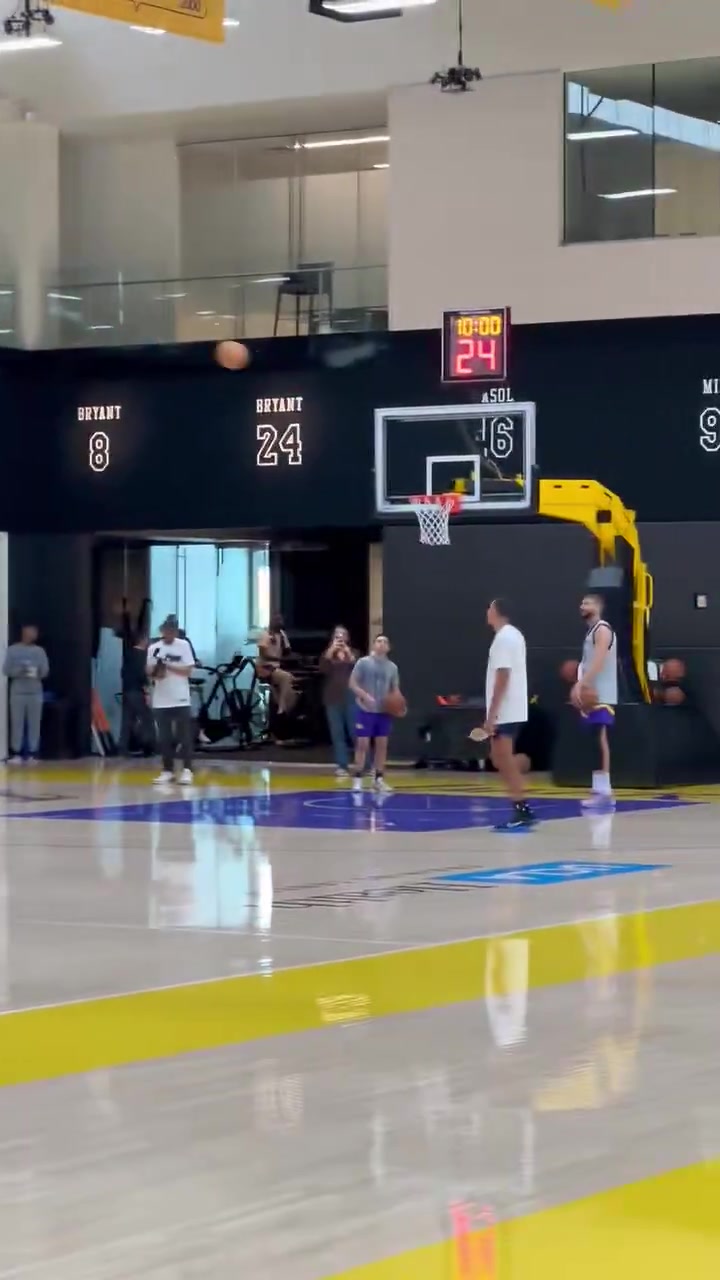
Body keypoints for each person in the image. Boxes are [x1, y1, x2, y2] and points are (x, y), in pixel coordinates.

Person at [483, 598, 536, 831]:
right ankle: (524, 767)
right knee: (498, 758)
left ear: (497, 612)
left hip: (505, 710)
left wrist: (491, 715)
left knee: (502, 758)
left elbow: (503, 676)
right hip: (513, 708)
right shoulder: (515, 635)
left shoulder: (503, 638)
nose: (487, 612)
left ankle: (521, 808)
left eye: (490, 608)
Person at [573, 592, 617, 808]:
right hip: (591, 693)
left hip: (602, 694)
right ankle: (599, 790)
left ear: (598, 607)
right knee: (593, 741)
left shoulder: (603, 629)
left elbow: (599, 661)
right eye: (582, 603)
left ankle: (604, 792)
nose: (582, 606)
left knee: (600, 739)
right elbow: (586, 664)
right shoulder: (590, 632)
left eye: (587, 603)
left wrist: (581, 684)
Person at [349, 634, 401, 795]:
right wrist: (364, 695)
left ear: (389, 647)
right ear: (373, 645)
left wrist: (399, 704)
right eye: (379, 641)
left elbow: (395, 689)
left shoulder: (392, 667)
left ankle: (378, 779)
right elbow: (352, 683)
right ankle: (357, 778)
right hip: (365, 709)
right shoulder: (363, 662)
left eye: (385, 642)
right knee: (362, 744)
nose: (382, 644)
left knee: (382, 745)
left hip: (383, 711)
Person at [147, 615, 196, 785]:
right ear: (162, 631)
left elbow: (188, 670)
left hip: (180, 697)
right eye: (167, 630)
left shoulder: (183, 646)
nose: (169, 633)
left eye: (172, 630)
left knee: (184, 736)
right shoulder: (154, 648)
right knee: (164, 737)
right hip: (161, 698)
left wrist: (168, 666)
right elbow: (150, 672)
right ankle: (167, 770)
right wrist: (157, 670)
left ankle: (187, 769)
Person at [3, 624, 49, 764]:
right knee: (17, 723)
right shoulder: (13, 650)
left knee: (35, 723)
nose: (32, 635)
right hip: (17, 692)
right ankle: (16, 753)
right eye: (29, 632)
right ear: (23, 633)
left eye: (34, 633)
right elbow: (6, 670)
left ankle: (33, 754)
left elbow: (45, 671)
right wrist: (20, 671)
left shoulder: (40, 651)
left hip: (35, 692)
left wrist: (36, 671)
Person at [320, 626, 358, 778]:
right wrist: (330, 652)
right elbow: (322, 669)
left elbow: (359, 669)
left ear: (348, 638)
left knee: (356, 733)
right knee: (337, 734)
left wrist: (348, 653)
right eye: (337, 635)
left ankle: (365, 764)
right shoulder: (327, 655)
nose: (340, 638)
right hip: (332, 698)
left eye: (343, 635)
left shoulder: (354, 653)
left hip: (351, 698)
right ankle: (342, 766)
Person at [119, 632, 155, 757]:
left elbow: (123, 673)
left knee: (127, 721)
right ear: (143, 641)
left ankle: (122, 749)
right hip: (138, 692)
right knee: (147, 719)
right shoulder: (142, 656)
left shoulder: (128, 654)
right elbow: (142, 675)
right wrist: (147, 692)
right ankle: (147, 748)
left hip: (127, 690)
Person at [256, 613, 297, 715]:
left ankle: (285, 707)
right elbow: (263, 653)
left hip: (276, 668)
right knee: (286, 677)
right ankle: (281, 706)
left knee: (292, 681)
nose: (279, 622)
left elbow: (288, 651)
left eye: (280, 620)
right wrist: (278, 658)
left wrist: (299, 657)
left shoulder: (282, 634)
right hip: (265, 667)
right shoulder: (265, 634)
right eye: (277, 620)